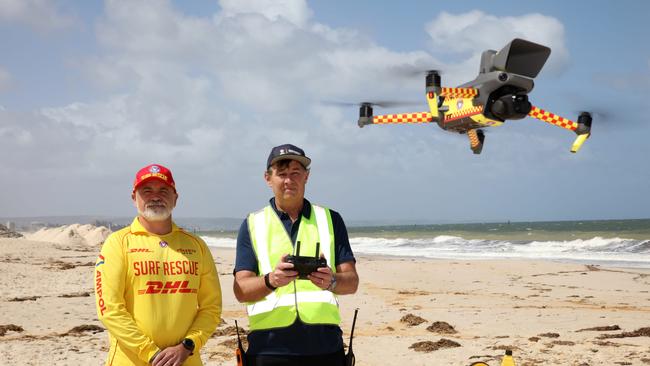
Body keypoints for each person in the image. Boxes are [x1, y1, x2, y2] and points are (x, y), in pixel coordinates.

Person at [233, 144, 359, 366]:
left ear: (306, 177)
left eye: (295, 173)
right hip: (269, 349)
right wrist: (271, 280)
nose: (288, 180)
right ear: (268, 178)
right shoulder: (253, 224)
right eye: (281, 174)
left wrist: (332, 281)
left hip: (325, 348)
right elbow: (241, 290)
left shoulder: (331, 219)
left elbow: (352, 282)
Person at [94, 164, 222, 366]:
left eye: (163, 190)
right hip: (131, 360)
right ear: (134, 197)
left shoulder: (196, 246)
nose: (156, 196)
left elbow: (211, 308)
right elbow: (109, 309)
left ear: (175, 198)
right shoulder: (118, 243)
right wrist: (152, 354)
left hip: (186, 359)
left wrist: (188, 345)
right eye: (147, 191)